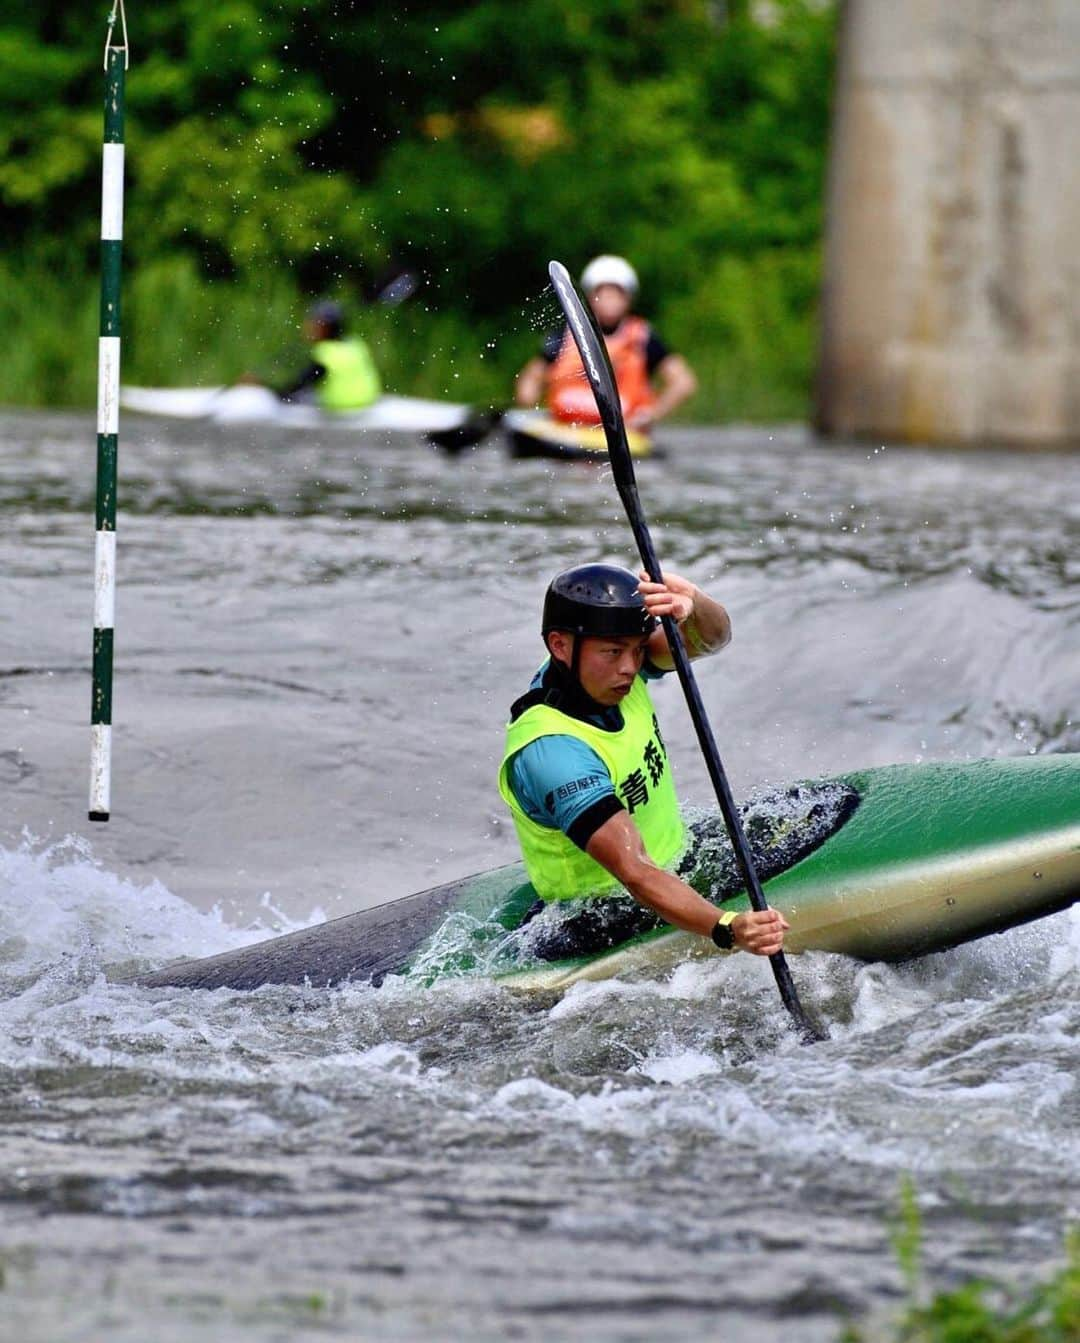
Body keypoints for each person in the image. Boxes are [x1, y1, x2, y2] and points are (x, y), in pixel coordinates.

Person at [498, 563, 789, 961]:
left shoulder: (604, 671)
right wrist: (727, 927)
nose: (630, 667)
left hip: (676, 864)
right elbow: (635, 871)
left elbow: (711, 638)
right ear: (560, 645)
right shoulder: (553, 753)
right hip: (600, 918)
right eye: (614, 652)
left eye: (637, 649)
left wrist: (693, 601)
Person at [514, 256, 697, 431]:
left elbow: (683, 382)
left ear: (628, 299)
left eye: (616, 294)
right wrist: (528, 398)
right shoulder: (566, 334)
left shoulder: (643, 337)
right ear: (590, 297)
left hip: (624, 432)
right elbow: (532, 377)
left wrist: (649, 415)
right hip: (566, 430)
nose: (610, 301)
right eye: (603, 294)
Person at [267, 301, 381, 412]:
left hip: (339, 409)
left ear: (327, 328)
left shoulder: (325, 353)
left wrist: (272, 391)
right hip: (365, 404)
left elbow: (300, 385)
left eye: (313, 324)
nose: (307, 328)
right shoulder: (356, 345)